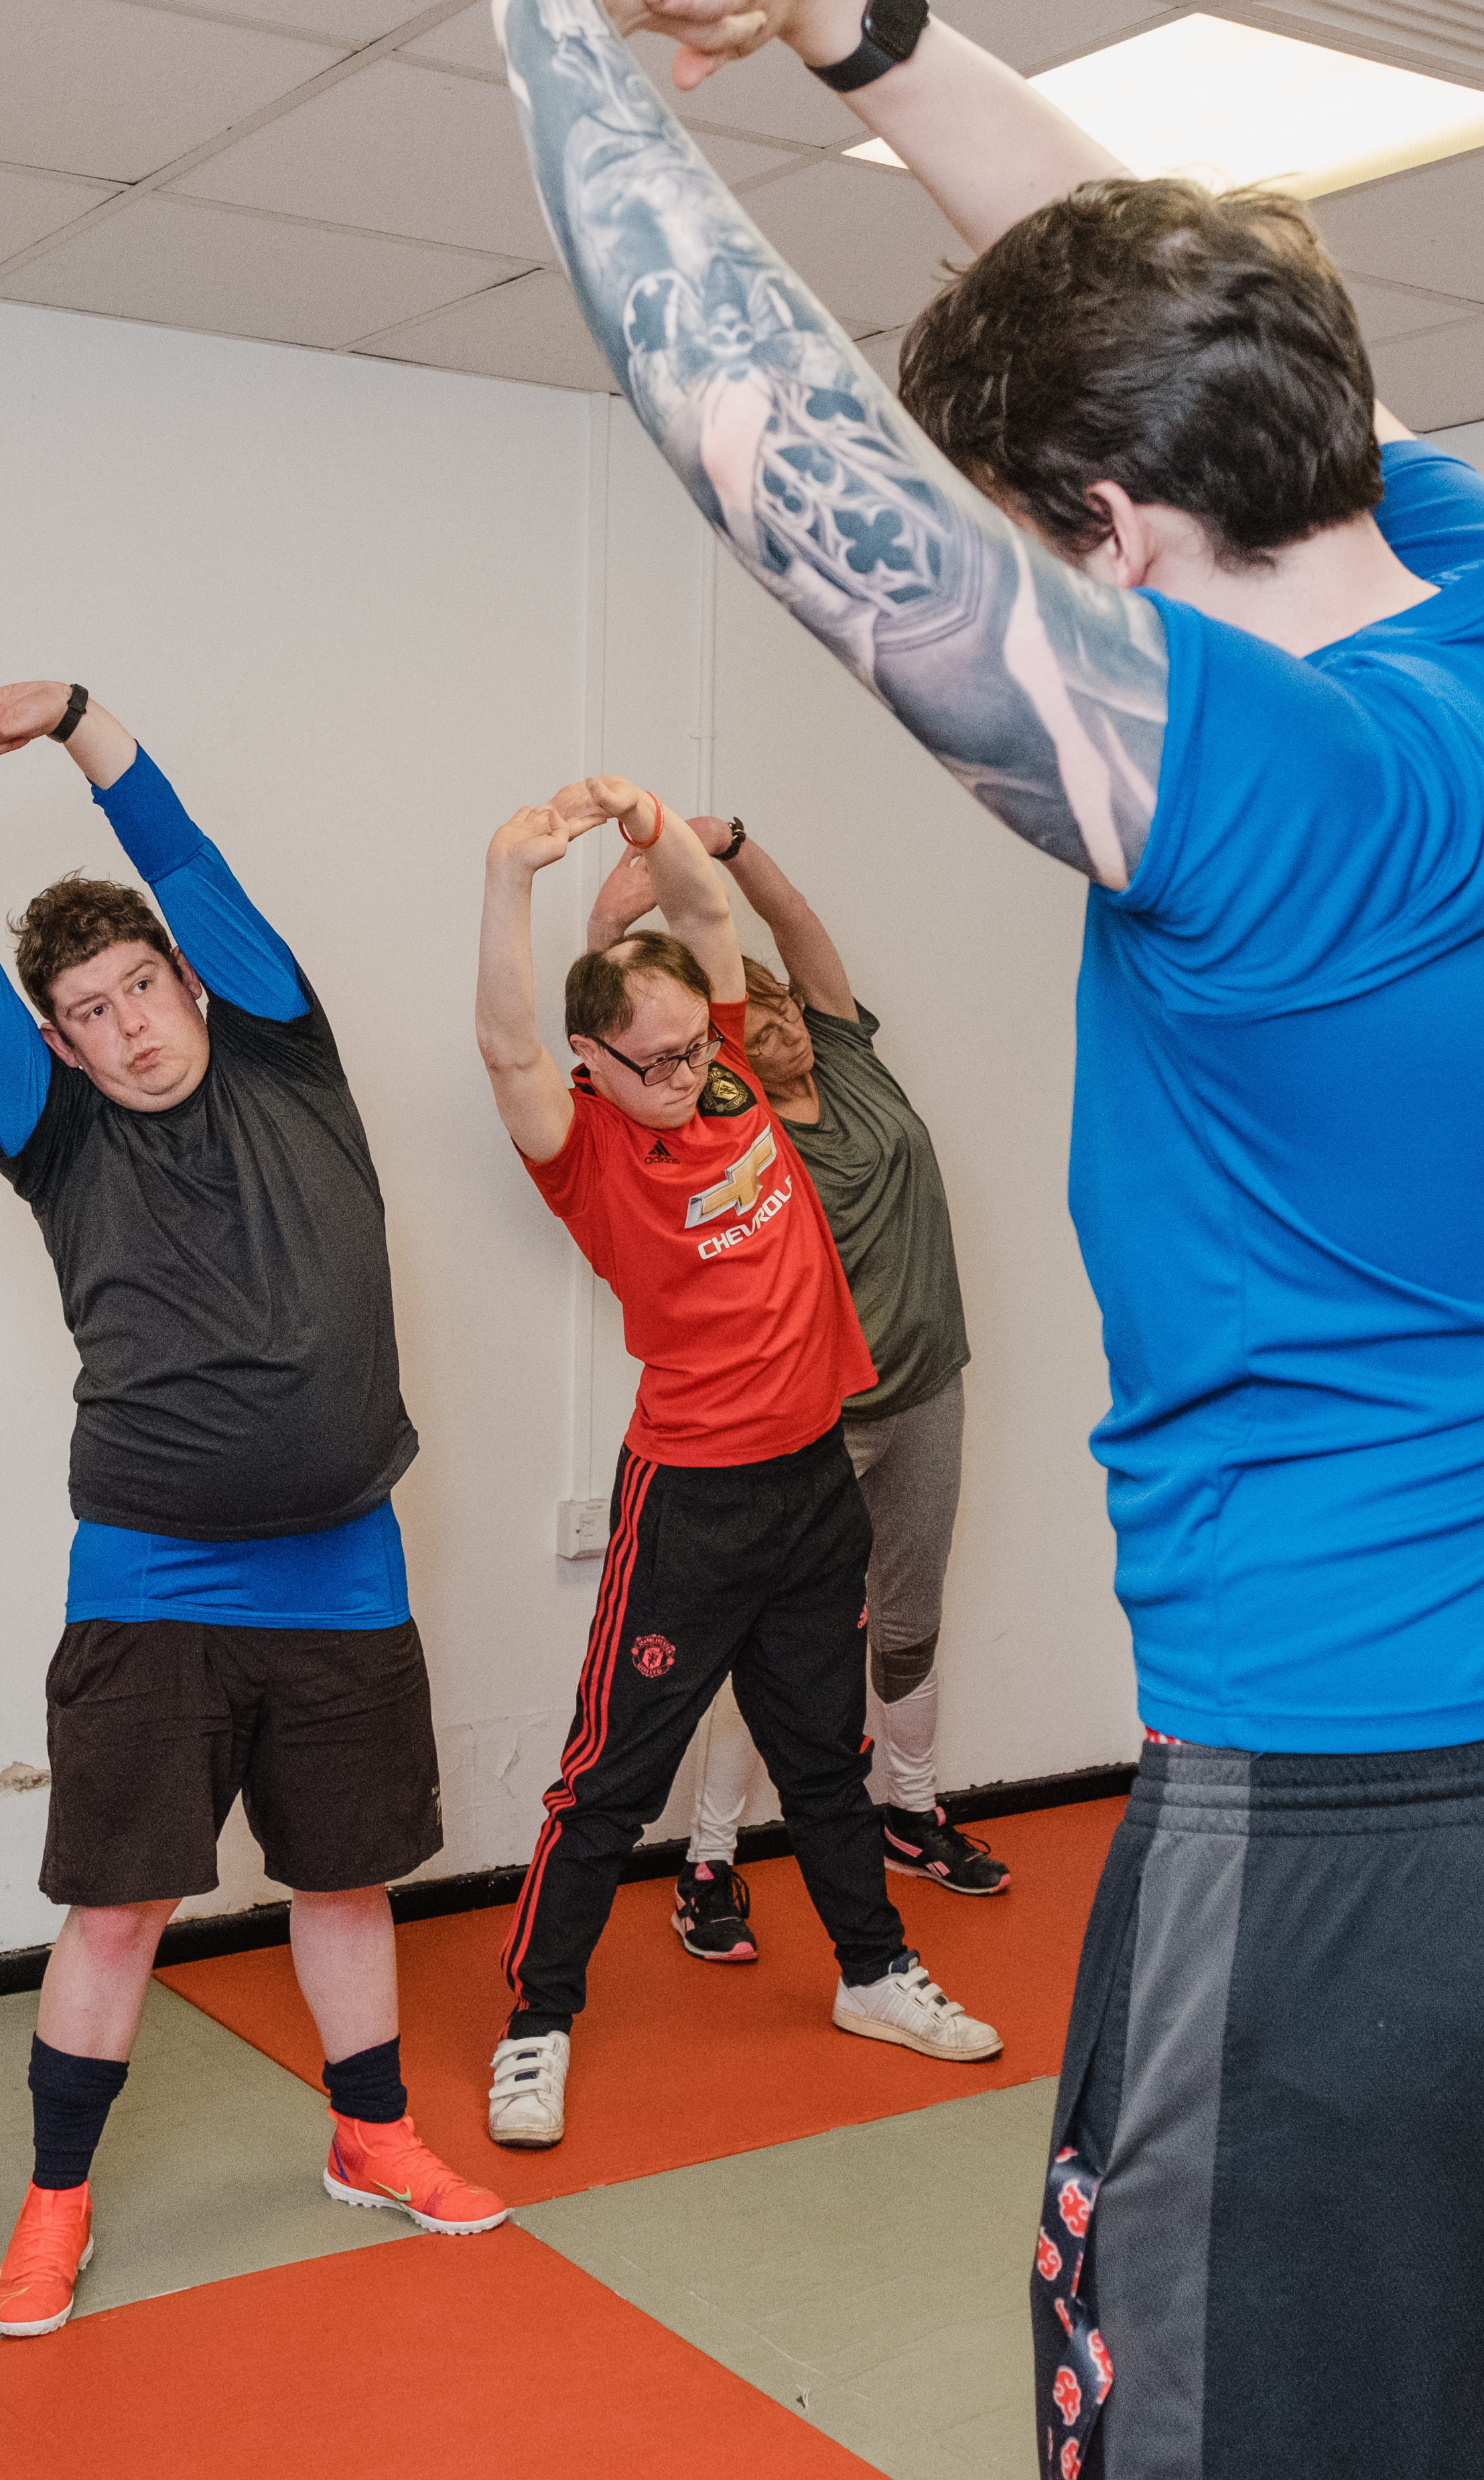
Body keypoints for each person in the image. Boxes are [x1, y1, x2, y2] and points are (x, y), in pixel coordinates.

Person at [491, 0, 1484, 2477]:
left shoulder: (1266, 795)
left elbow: (788, 467)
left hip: (1351, 1860)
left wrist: (550, 8)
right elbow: (1223, 315)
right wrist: (852, 14)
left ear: (1098, 538)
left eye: (1041, 545)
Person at [0, 682, 507, 2337]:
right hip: (152, 1575)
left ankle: (371, 2138)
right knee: (121, 1901)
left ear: (189, 981)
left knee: (347, 1879)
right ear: (63, 1041)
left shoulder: (288, 1053)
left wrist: (78, 719)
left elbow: (182, 846)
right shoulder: (52, 1132)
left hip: (343, 1568)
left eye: (145, 983)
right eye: (91, 1009)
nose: (132, 1022)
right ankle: (55, 2203)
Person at [475, 777, 1004, 2146]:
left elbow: (709, 910)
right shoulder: (585, 1151)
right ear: (593, 1059)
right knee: (611, 1778)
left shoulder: (720, 1076)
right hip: (692, 1503)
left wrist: (656, 830)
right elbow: (503, 1051)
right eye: (642, 1059)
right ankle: (537, 2019)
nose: (679, 1076)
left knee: (823, 1757)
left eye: (684, 1049)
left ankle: (874, 1973)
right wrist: (507, 879)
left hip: (810, 1484)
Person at [578, 819, 1008, 1961]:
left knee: (907, 1625)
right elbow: (612, 1048)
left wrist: (730, 844)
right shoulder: (729, 1137)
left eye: (784, 1011)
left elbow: (796, 934)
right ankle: (710, 1859)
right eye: (752, 1022)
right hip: (810, 1425)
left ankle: (910, 1814)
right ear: (719, 1055)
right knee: (765, 1661)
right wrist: (612, 924)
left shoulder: (850, 1061)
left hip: (925, 1392)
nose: (783, 1028)